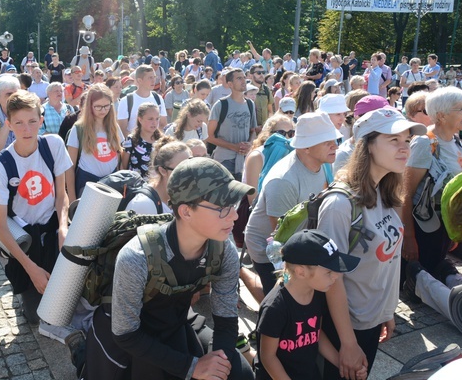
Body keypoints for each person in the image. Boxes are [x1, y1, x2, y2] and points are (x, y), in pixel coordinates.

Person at [83, 157, 255, 380]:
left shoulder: (224, 250)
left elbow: (226, 318)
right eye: (222, 208)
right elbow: (125, 334)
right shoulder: (136, 257)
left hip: (174, 324)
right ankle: (81, 353)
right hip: (127, 337)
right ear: (186, 212)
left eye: (233, 205)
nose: (235, 215)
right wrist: (193, 367)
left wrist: (219, 365)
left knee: (240, 375)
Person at [317, 108, 426, 380]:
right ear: (367, 145)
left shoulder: (385, 192)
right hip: (346, 326)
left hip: (371, 319)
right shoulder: (339, 205)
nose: (405, 149)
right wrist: (348, 343)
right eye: (394, 140)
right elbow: (332, 278)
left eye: (407, 141)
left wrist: (385, 312)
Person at [0, 90, 71, 325]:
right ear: (9, 124)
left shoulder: (53, 145)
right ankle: (25, 287)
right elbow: (1, 226)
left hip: (52, 228)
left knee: (67, 300)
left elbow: (61, 195)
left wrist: (63, 227)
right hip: (24, 239)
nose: (27, 129)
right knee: (37, 316)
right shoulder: (1, 166)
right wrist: (31, 268)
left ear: (41, 121)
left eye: (32, 121)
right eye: (19, 123)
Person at [245, 111, 341, 295]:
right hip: (268, 247)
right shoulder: (283, 180)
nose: (335, 146)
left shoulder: (325, 162)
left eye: (334, 140)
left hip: (299, 234)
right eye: (326, 142)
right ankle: (242, 272)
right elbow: (281, 239)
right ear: (305, 147)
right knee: (276, 297)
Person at [255, 230, 362, 380]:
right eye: (329, 272)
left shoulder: (318, 293)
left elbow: (315, 333)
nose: (337, 276)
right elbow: (268, 357)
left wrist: (341, 363)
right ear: (301, 272)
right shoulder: (275, 308)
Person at [402, 87, 462, 287]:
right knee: (425, 277)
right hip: (426, 229)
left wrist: (454, 229)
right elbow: (405, 195)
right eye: (461, 109)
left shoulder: (455, 141)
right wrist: (409, 238)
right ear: (441, 115)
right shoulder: (425, 143)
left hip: (446, 226)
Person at [66, 84, 123, 202]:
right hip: (87, 182)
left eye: (107, 106)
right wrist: (72, 198)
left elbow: (119, 156)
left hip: (112, 182)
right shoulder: (78, 129)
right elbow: (69, 167)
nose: (103, 110)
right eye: (98, 107)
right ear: (89, 106)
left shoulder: (114, 127)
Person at [207, 68, 257, 180]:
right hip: (224, 161)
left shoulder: (250, 104)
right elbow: (209, 137)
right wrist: (234, 147)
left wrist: (250, 144)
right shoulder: (221, 105)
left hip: (244, 160)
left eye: (244, 77)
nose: (244, 81)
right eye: (239, 78)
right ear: (230, 84)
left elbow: (253, 131)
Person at [117, 65, 167, 136]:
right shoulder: (126, 101)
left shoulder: (158, 98)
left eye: (154, 77)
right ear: (139, 80)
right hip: (134, 144)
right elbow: (122, 130)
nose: (154, 80)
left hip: (155, 144)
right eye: (150, 78)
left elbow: (163, 124)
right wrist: (141, 142)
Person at [121, 102, 161, 179]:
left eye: (157, 118)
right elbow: (123, 167)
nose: (154, 122)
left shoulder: (163, 141)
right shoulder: (131, 140)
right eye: (150, 119)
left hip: (155, 187)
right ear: (140, 119)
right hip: (135, 186)